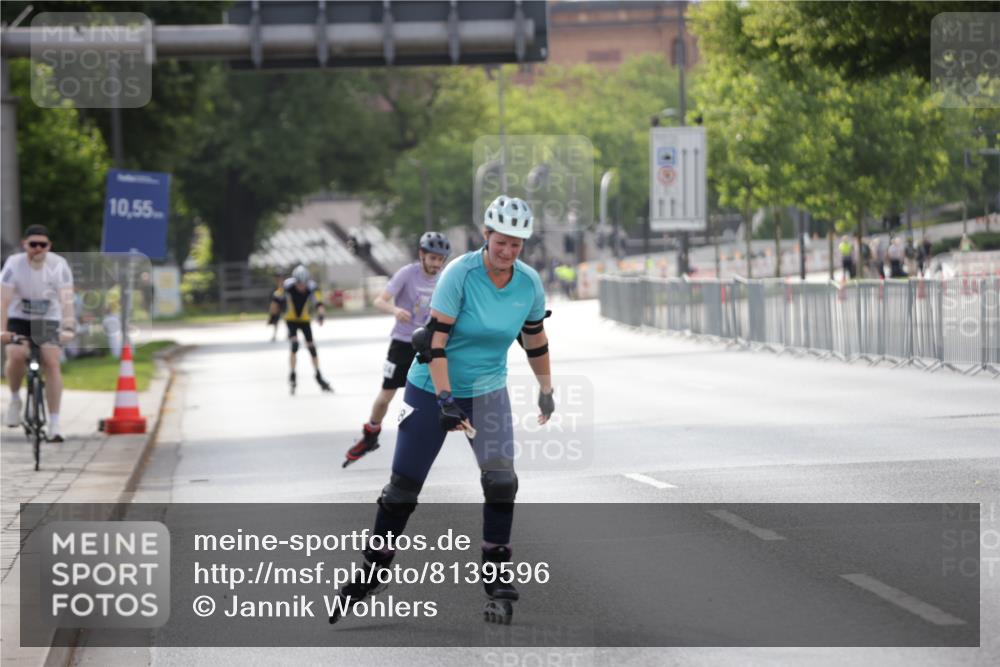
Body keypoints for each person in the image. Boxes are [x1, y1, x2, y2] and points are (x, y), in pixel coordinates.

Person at [330, 195, 555, 625]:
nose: (508, 252)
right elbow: (433, 342)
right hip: (429, 387)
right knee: (402, 492)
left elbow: (535, 338)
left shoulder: (528, 283)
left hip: (487, 390)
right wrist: (446, 399)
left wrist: (546, 387)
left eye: (517, 245)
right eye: (502, 242)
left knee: (502, 481)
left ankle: (496, 574)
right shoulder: (460, 274)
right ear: (486, 236)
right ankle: (373, 569)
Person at [343, 231, 451, 467]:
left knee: (433, 394)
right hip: (402, 343)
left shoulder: (444, 279)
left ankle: (424, 441)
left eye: (440, 260)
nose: (436, 264)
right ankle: (370, 434)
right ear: (421, 255)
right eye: (432, 258)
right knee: (385, 397)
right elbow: (380, 300)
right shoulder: (407, 273)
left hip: (429, 344)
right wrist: (395, 311)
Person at [1, 225, 76, 441]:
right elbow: (3, 300)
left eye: (42, 245)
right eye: (33, 244)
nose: (37, 249)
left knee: (51, 361)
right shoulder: (13, 265)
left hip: (48, 319)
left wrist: (68, 327)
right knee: (15, 354)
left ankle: (54, 423)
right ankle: (15, 399)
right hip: (19, 318)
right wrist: (2, 330)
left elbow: (66, 299)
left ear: (49, 246)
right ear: (25, 245)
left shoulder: (58, 265)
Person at [270, 264, 332, 394]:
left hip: (304, 320)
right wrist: (274, 315)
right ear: (295, 281)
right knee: (294, 345)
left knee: (312, 348)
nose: (301, 287)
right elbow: (276, 300)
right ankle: (292, 375)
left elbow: (319, 303)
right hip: (291, 319)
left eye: (303, 284)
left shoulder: (312, 287)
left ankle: (318, 375)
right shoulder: (287, 286)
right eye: (299, 284)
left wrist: (321, 315)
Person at [266, 271, 286, 342]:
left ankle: (289, 334)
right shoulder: (275, 289)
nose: (279, 279)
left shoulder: (286, 288)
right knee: (276, 321)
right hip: (277, 306)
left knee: (287, 320)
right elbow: (272, 300)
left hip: (284, 305)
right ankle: (274, 335)